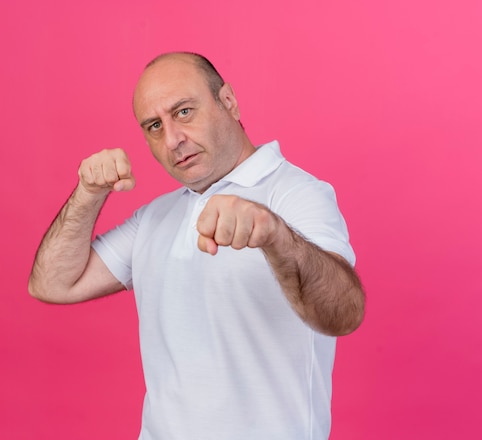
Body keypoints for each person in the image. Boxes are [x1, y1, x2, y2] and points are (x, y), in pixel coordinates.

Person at [29, 52, 365, 440]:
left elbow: (344, 314)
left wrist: (274, 235)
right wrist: (88, 194)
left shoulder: (296, 194)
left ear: (229, 101)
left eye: (184, 111)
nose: (172, 139)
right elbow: (51, 284)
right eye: (154, 126)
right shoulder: (155, 217)